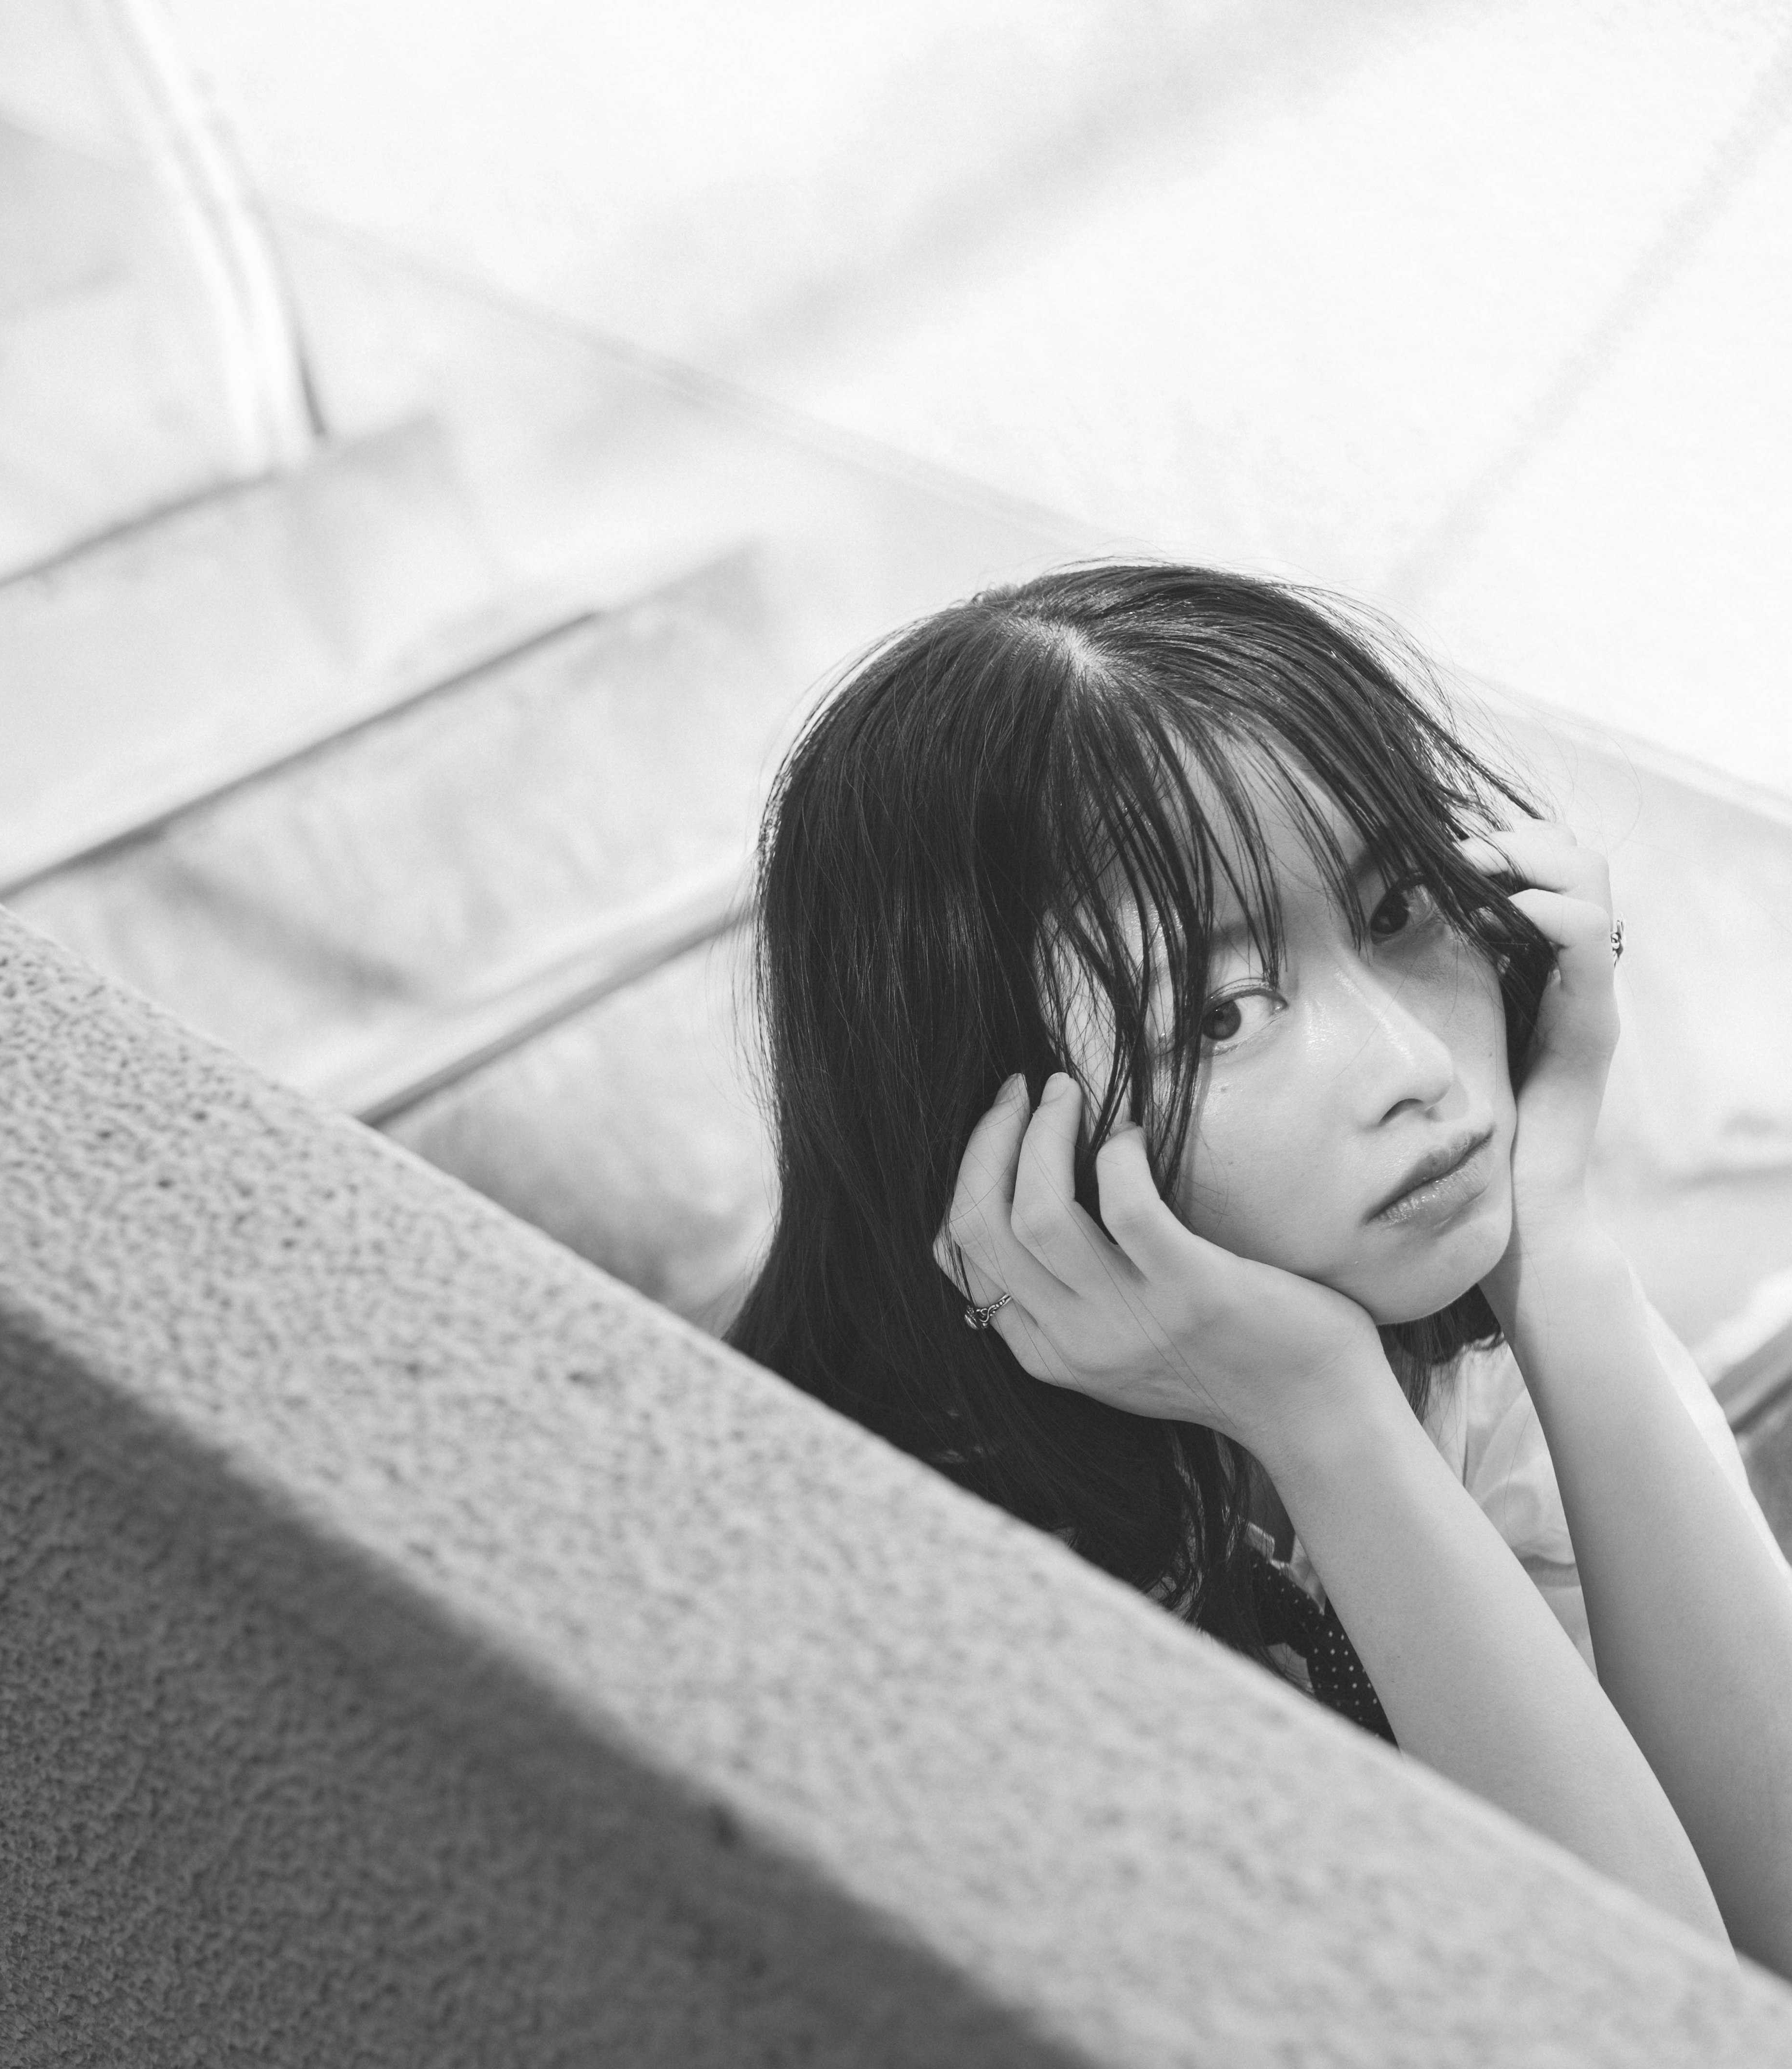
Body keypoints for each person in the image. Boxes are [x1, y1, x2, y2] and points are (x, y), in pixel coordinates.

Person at [728, 563, 1792, 1972]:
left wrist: (1563, 1256)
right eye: (1222, 1015)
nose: (1414, 1071)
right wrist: (1322, 1420)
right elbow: (1673, 2068)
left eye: (1402, 909)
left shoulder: (1438, 1322)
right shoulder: (932, 1591)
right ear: (993, 1139)